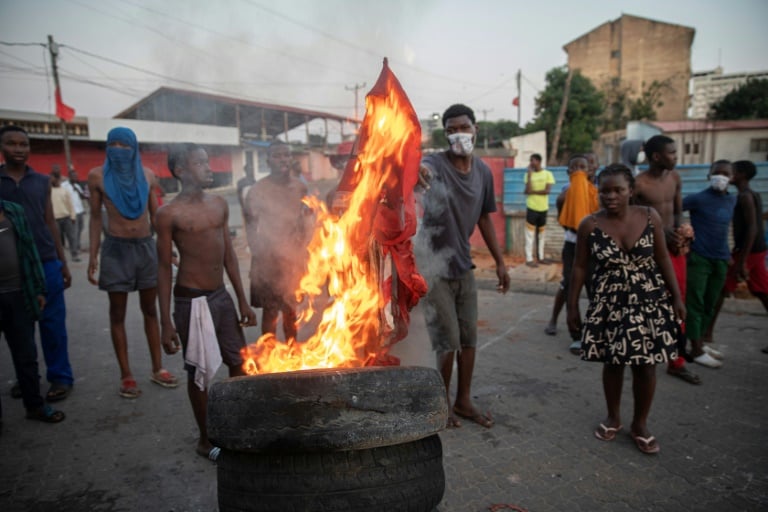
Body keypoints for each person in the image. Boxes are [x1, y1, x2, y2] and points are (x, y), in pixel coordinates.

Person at [567, 164, 684, 455]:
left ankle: (640, 424)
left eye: (618, 189)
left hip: (648, 301)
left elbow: (663, 259)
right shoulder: (589, 225)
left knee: (646, 364)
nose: (610, 196)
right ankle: (613, 417)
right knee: (613, 361)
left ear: (631, 190)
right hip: (610, 303)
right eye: (604, 190)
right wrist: (572, 307)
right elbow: (579, 267)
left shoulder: (649, 217)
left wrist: (678, 298)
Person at [157, 143, 257, 460]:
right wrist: (165, 322)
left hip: (221, 296)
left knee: (239, 362)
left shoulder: (218, 205)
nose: (208, 167)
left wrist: (241, 299)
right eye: (199, 163)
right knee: (200, 373)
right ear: (180, 170)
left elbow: (228, 252)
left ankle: (240, 426)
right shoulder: (168, 214)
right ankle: (205, 438)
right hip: (193, 300)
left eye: (207, 161)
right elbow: (162, 267)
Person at [416, 104, 510, 429]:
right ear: (446, 134)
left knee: (469, 338)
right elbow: (420, 169)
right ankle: (440, 403)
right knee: (448, 340)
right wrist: (418, 171)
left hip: (463, 266)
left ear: (476, 129)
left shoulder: (483, 172)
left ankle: (463, 400)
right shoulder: (435, 164)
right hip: (432, 267)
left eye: (464, 128)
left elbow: (484, 217)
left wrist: (500, 262)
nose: (459, 135)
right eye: (452, 130)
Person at [88, 126, 178, 398]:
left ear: (134, 148)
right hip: (115, 250)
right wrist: (93, 254)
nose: (119, 150)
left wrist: (169, 249)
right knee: (117, 314)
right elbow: (94, 218)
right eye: (113, 144)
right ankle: (126, 375)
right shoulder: (96, 177)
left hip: (144, 248)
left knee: (150, 310)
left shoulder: (147, 176)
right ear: (107, 147)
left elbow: (157, 218)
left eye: (125, 145)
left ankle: (158, 368)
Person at [0, 125, 75, 402]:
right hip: (11, 266)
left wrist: (62, 261)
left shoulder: (41, 181)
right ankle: (27, 378)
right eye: (12, 143)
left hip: (45, 261)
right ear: (2, 147)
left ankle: (60, 377)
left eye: (24, 144)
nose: (19, 149)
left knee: (52, 324)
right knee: (19, 329)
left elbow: (49, 222)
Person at [633, 135, 700, 385]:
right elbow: (631, 220)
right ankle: (646, 352)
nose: (676, 156)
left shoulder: (675, 178)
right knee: (648, 304)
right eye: (671, 153)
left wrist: (683, 231)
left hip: (673, 252)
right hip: (649, 252)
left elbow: (678, 213)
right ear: (657, 156)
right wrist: (659, 232)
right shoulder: (638, 184)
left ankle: (676, 361)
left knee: (677, 301)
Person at [0, 199, 66, 424]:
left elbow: (29, 251)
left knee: (26, 356)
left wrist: (38, 288)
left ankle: (35, 406)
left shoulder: (14, 211)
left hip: (19, 294)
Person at [244, 140, 310, 340]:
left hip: (293, 258)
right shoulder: (258, 190)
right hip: (268, 260)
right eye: (277, 155)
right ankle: (269, 358)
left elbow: (305, 219)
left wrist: (303, 248)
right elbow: (250, 225)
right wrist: (259, 254)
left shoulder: (299, 187)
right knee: (270, 312)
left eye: (286, 155)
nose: (283, 159)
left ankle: (292, 353)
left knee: (291, 311)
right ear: (268, 160)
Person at [703, 160, 768, 352]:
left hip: (749, 251)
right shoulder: (749, 195)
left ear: (741, 175)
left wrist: (741, 261)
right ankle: (707, 331)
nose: (728, 176)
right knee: (761, 291)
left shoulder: (745, 197)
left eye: (732, 172)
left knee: (722, 289)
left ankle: (707, 332)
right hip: (755, 250)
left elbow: (752, 229)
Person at [681, 160, 736, 368]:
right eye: (716, 173)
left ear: (731, 178)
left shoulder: (732, 201)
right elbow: (674, 211)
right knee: (695, 303)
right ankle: (694, 350)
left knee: (710, 303)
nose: (720, 177)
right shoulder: (698, 199)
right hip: (699, 258)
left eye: (725, 173)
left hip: (721, 258)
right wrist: (683, 236)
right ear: (708, 176)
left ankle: (700, 343)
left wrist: (730, 255)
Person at [544, 155, 599, 354]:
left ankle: (595, 331)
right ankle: (575, 333)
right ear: (568, 173)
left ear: (592, 170)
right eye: (574, 167)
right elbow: (565, 222)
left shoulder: (599, 194)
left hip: (595, 248)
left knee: (595, 289)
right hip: (572, 246)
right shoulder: (564, 196)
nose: (579, 171)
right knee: (569, 287)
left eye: (583, 167)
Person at [523, 153, 555, 267]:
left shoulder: (548, 174)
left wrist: (533, 192)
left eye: (532, 160)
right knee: (529, 235)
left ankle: (541, 257)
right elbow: (526, 191)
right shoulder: (528, 175)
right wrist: (530, 176)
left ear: (538, 161)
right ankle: (529, 259)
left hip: (543, 208)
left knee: (542, 234)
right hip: (531, 207)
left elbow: (547, 191)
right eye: (530, 161)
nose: (530, 163)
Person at [50, 167, 79, 262]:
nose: (54, 180)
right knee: (57, 239)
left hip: (66, 218)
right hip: (54, 219)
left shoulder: (64, 190)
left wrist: (73, 216)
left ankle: (74, 255)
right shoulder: (48, 191)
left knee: (72, 237)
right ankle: (59, 257)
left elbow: (70, 204)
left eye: (56, 179)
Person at [61, 166, 87, 257]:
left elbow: (83, 197)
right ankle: (74, 251)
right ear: (69, 176)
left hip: (80, 211)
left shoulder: (77, 185)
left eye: (76, 176)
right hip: (72, 212)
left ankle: (77, 246)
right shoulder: (64, 186)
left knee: (80, 229)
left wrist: (78, 191)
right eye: (73, 176)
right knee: (73, 232)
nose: (75, 178)